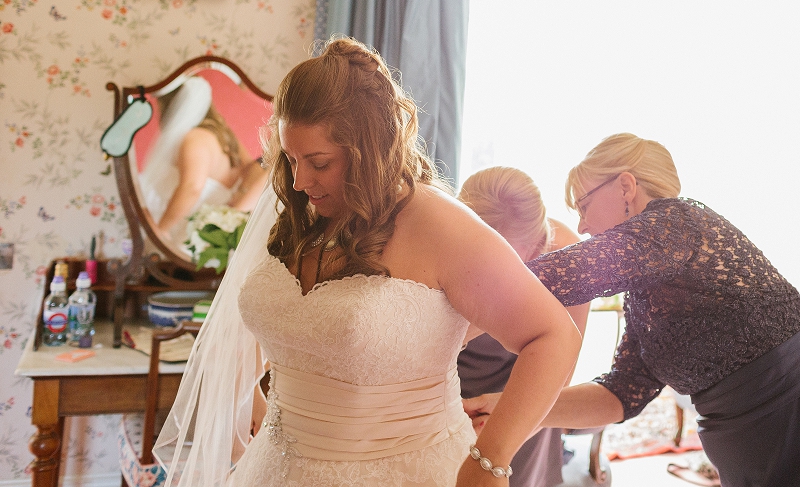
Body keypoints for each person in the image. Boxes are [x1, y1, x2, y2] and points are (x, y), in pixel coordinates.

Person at [153, 36, 581, 487]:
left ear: (369, 149)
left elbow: (553, 336)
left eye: (318, 162)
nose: (299, 181)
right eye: (292, 159)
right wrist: (253, 411)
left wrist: (490, 458)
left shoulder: (440, 226)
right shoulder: (304, 212)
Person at [463, 133, 800, 487]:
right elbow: (620, 394)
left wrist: (458, 299)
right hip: (742, 442)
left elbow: (559, 276)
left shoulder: (677, 221)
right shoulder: (647, 296)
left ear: (625, 187)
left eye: (584, 206)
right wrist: (504, 405)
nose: (581, 227)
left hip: (786, 416)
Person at [457, 166, 591, 487]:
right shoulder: (445, 241)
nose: (491, 269)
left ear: (534, 247)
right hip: (453, 375)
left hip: (526, 386)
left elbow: (559, 371)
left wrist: (504, 431)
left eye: (505, 257)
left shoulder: (570, 257)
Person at [139, 75, 266, 245]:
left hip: (191, 236)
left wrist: (161, 230)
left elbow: (191, 188)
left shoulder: (193, 139)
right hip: (207, 232)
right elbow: (249, 169)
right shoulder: (223, 134)